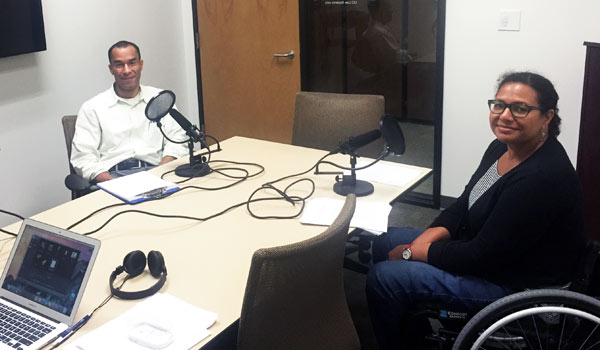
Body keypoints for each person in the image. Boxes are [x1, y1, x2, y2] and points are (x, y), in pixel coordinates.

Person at [366, 71, 587, 349]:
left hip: (516, 287)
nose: (505, 115)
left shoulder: (540, 178)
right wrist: (429, 237)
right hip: (488, 254)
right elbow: (463, 203)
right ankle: (414, 332)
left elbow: (481, 257)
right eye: (499, 105)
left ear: (547, 116)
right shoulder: (502, 147)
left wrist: (414, 252)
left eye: (520, 108)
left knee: (385, 277)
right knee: (383, 241)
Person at [70, 40, 188, 183]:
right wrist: (113, 184)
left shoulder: (161, 99)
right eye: (119, 65)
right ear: (111, 69)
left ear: (141, 65)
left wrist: (160, 174)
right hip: (112, 177)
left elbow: (177, 141)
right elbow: (83, 157)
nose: (126, 70)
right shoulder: (92, 108)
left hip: (156, 171)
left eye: (132, 63)